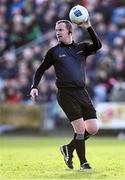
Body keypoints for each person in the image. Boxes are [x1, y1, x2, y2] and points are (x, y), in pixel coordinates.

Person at [30, 18, 102, 170]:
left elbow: (98, 45)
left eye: (60, 30)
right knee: (80, 129)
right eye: (56, 30)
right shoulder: (54, 52)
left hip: (82, 92)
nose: (57, 33)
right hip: (65, 94)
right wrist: (34, 86)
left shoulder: (81, 48)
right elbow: (40, 69)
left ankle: (68, 148)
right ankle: (83, 163)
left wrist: (88, 27)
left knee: (93, 128)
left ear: (70, 31)